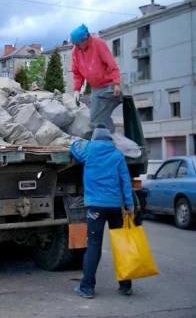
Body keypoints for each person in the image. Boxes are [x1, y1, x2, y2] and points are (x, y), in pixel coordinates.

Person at [70, 124, 134, 299]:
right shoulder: (117, 154)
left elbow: (74, 149)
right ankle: (126, 285)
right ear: (109, 139)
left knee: (93, 246)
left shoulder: (89, 150)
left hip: (96, 207)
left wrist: (77, 142)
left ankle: (87, 288)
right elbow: (125, 182)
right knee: (121, 244)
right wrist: (129, 206)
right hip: (115, 206)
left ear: (95, 138)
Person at [70, 24, 122, 133]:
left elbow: (111, 63)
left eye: (78, 44)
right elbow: (77, 72)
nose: (77, 47)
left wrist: (116, 83)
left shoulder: (98, 44)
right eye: (75, 45)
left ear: (86, 39)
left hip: (109, 85)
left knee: (101, 117)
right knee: (94, 120)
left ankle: (108, 140)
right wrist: (76, 90)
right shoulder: (76, 51)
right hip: (96, 87)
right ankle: (104, 139)